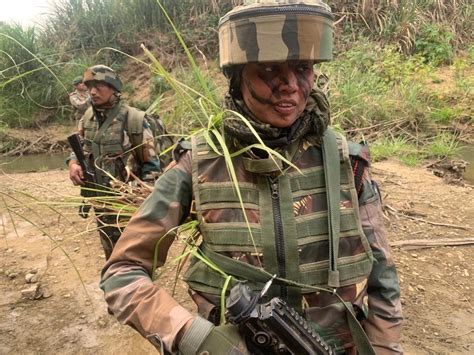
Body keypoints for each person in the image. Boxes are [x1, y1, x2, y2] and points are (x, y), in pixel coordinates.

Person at [100, 1, 403, 354]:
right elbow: (121, 273)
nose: (290, 85)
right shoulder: (198, 164)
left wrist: (383, 347)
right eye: (270, 70)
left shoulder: (347, 165)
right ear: (238, 77)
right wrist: (196, 337)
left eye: (303, 68)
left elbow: (383, 277)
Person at [67, 65, 168, 260]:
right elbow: (79, 149)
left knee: (135, 259)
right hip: (101, 203)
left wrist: (139, 201)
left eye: (99, 86)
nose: (93, 92)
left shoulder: (135, 120)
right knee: (111, 256)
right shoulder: (87, 118)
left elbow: (153, 168)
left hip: (129, 207)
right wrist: (73, 164)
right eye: (90, 86)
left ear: (113, 87)